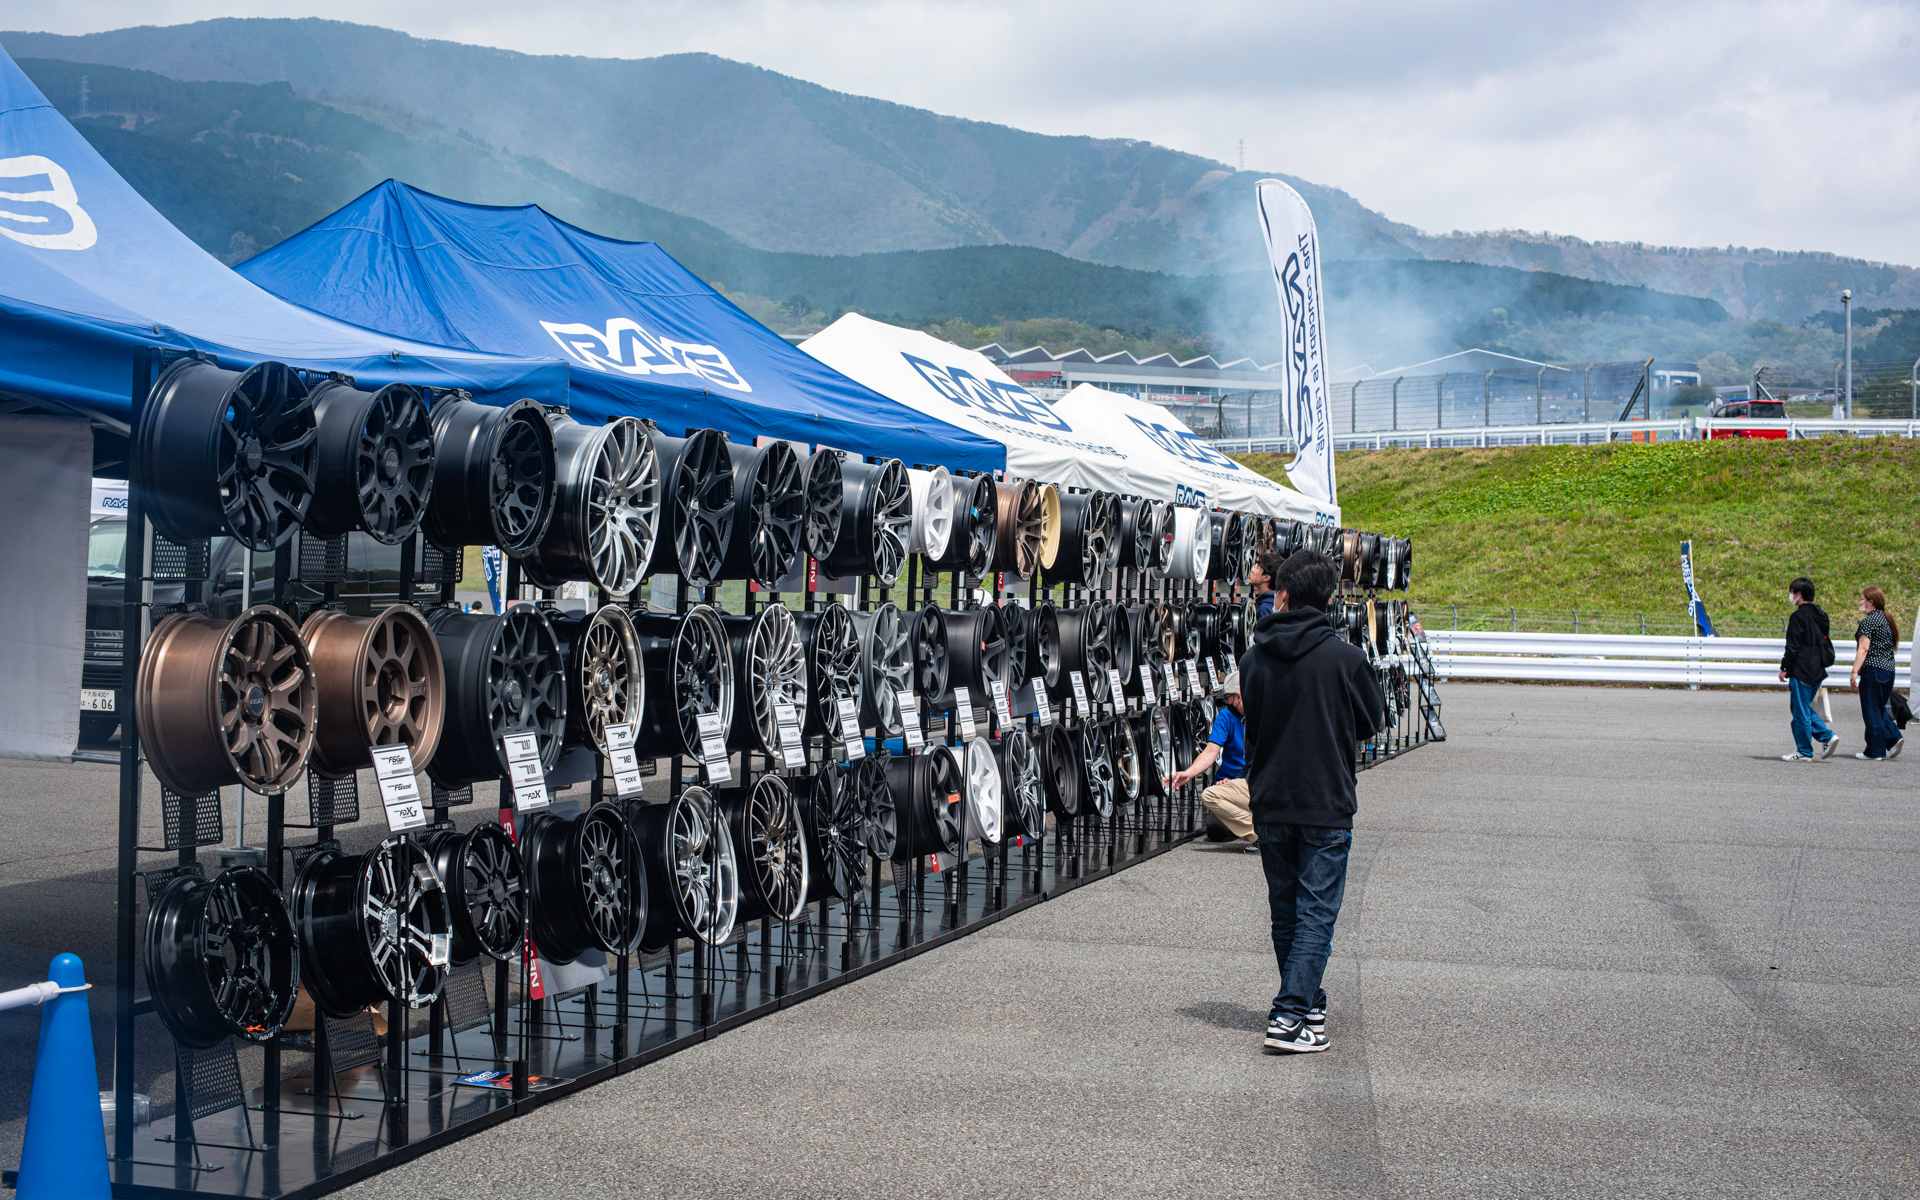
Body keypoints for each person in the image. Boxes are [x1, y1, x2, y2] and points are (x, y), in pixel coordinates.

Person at [1239, 550, 1385, 1054]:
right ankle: (1288, 1016)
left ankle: (1309, 1003)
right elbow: (1371, 721)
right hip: (1325, 799)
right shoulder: (1346, 659)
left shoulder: (1253, 659)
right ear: (1329, 599)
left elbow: (1254, 727)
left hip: (1271, 799)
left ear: (1282, 593)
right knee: (1316, 914)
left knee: (1287, 914)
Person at [1169, 672, 1250, 845]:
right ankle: (1251, 825)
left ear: (1239, 696)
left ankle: (1253, 829)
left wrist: (1239, 782)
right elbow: (1210, 752)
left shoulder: (1262, 717)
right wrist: (1189, 773)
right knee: (1216, 830)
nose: (1226, 703)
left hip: (1252, 782)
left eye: (1227, 698)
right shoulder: (1226, 716)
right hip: (1227, 784)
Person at [1778, 577, 1837, 761]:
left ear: (1799, 594)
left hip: (1801, 668)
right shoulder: (1821, 614)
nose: (1790, 596)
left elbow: (1793, 646)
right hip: (1818, 668)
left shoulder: (1798, 616)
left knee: (1800, 711)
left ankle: (1806, 749)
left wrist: (1784, 667)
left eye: (1792, 592)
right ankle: (1824, 738)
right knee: (1802, 708)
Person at [1850, 586, 1903, 761]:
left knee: (1871, 708)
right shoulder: (1887, 620)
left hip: (1873, 670)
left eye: (1862, 598)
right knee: (1879, 708)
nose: (1860, 602)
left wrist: (1854, 671)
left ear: (1870, 602)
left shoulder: (1869, 621)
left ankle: (1875, 750)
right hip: (1889, 670)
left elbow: (1863, 649)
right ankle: (1893, 738)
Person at [1249, 549, 1282, 620]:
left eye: (1257, 567)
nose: (1252, 570)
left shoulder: (1265, 609)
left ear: (1266, 577)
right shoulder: (1277, 604)